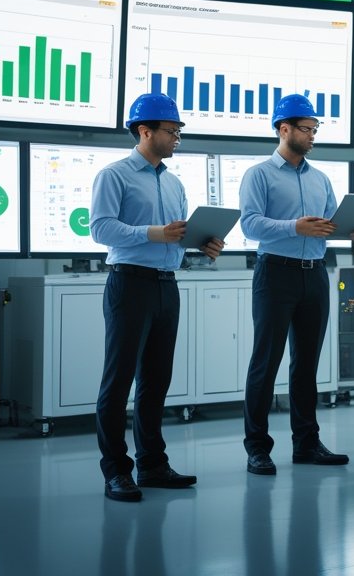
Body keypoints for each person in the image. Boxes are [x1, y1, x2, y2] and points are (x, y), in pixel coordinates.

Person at [91, 92, 224, 502]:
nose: (177, 137)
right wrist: (155, 232)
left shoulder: (174, 182)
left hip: (167, 283)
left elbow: (174, 238)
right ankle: (116, 471)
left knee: (156, 381)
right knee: (119, 381)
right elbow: (100, 230)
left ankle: (152, 464)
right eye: (171, 130)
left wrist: (202, 243)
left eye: (179, 131)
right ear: (144, 130)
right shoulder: (114, 175)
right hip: (129, 283)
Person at [241, 93, 354, 475]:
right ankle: (258, 448)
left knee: (306, 363)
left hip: (315, 273)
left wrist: (349, 229)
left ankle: (306, 443)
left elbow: (327, 223)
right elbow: (250, 224)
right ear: (284, 129)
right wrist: (294, 226)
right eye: (307, 129)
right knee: (266, 360)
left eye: (315, 129)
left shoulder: (320, 178)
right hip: (275, 273)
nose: (313, 136)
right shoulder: (258, 174)